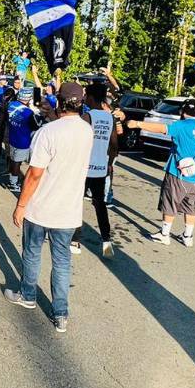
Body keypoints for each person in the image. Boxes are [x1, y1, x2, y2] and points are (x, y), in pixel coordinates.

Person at [3, 81, 93, 334]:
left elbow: (34, 174)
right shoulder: (87, 130)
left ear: (59, 103)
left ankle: (28, 295)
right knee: (62, 261)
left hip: (41, 207)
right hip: (69, 210)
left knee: (32, 253)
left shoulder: (49, 132)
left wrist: (21, 205)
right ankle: (61, 313)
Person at [129, 100, 195, 246]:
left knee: (170, 202)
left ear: (183, 111)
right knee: (190, 206)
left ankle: (164, 234)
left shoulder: (180, 126)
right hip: (194, 175)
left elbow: (161, 129)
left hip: (177, 173)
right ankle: (188, 236)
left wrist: (138, 124)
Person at [71, 80, 117, 257]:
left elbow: (77, 140)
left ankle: (75, 240)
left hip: (83, 168)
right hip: (100, 168)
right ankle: (106, 241)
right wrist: (109, 163)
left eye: (85, 96)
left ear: (90, 97)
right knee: (100, 205)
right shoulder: (109, 117)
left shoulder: (87, 117)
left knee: (76, 203)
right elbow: (114, 146)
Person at [5, 85, 42, 192]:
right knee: (17, 162)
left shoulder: (11, 105)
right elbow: (36, 126)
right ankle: (13, 183)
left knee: (13, 160)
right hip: (23, 141)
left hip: (13, 137)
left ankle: (12, 179)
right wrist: (35, 112)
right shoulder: (28, 112)